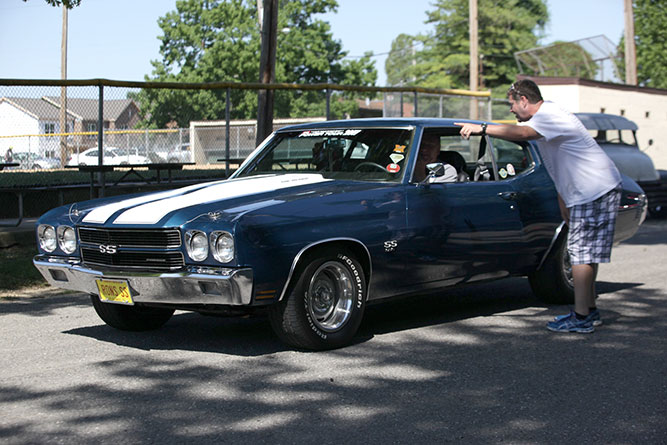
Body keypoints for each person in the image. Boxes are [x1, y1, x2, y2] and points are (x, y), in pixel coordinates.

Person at [455, 79, 622, 333]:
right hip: (587, 191)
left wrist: (483, 128)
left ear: (524, 100)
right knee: (582, 252)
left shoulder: (550, 115)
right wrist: (563, 198)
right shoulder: (546, 118)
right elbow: (559, 165)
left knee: (580, 252)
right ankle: (589, 311)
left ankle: (581, 316)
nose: (511, 110)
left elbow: (522, 134)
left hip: (594, 189)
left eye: (512, 104)